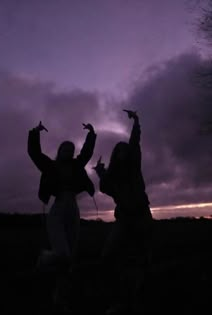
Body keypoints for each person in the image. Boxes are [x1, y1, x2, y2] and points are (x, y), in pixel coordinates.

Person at [27, 120, 96, 312]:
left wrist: (91, 134)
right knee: (64, 254)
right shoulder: (50, 166)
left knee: (70, 257)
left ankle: (60, 296)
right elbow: (35, 154)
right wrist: (35, 132)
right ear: (60, 150)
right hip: (57, 208)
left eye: (71, 148)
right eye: (65, 148)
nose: (69, 150)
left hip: (73, 208)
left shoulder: (77, 165)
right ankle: (44, 258)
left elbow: (87, 153)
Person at [93, 110, 153, 314]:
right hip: (124, 219)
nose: (123, 153)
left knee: (141, 256)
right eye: (119, 151)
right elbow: (105, 188)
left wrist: (136, 121)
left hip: (141, 215)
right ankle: (117, 296)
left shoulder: (134, 167)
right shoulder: (113, 177)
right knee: (109, 254)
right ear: (115, 155)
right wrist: (101, 172)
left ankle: (138, 295)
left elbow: (135, 142)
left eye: (125, 150)